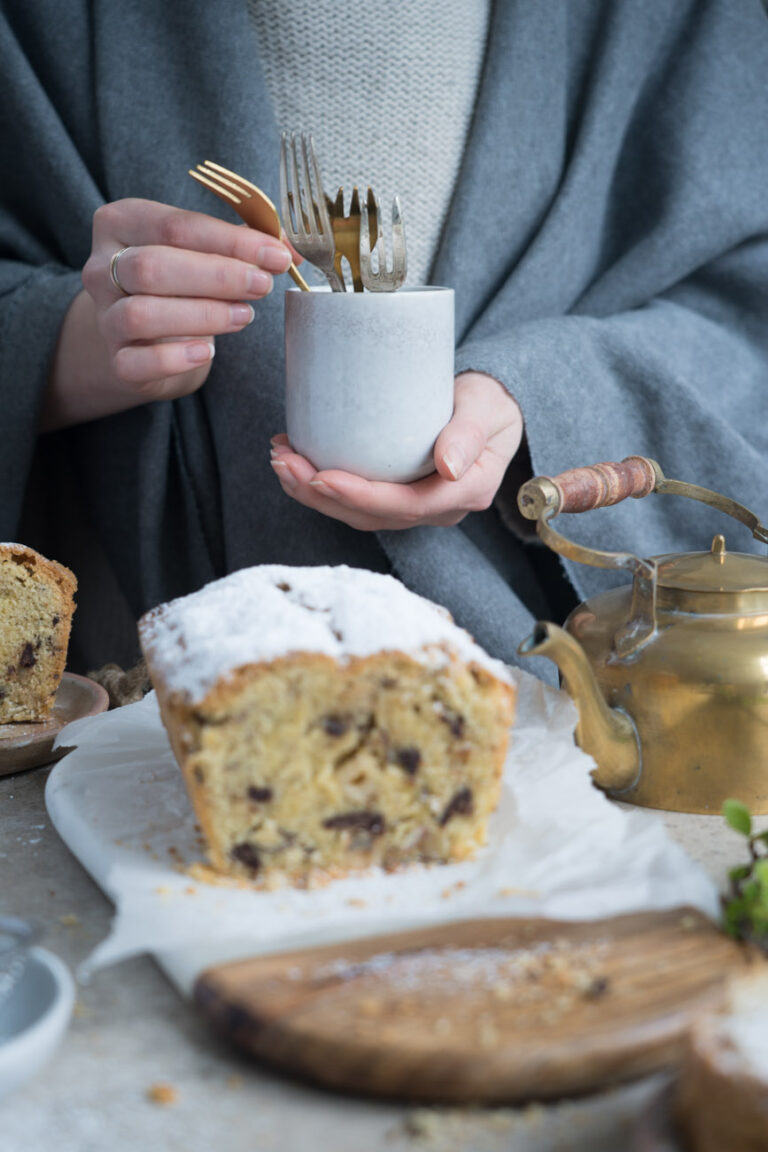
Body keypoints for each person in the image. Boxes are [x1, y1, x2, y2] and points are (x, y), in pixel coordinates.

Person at [2, 0, 768, 676]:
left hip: (567, 666)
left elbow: (745, 310)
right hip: (134, 680)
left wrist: (536, 395)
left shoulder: (673, 15)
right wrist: (77, 343)